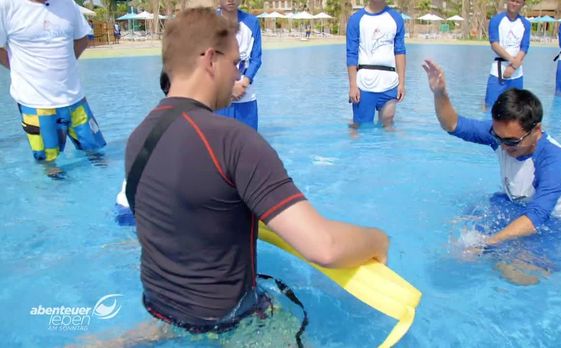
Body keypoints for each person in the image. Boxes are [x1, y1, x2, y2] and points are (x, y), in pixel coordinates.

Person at [123, 7, 389, 343]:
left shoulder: (138, 138)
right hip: (229, 321)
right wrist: (379, 240)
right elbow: (325, 248)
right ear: (209, 60)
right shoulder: (233, 140)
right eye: (235, 63)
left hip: (160, 307)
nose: (237, 76)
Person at [423, 60, 561, 283]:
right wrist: (440, 93)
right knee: (459, 241)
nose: (503, 146)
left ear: (537, 130)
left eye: (512, 141)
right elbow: (453, 125)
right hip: (510, 204)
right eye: (497, 138)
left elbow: (536, 218)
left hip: (548, 224)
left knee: (514, 274)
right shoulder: (502, 135)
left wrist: (487, 245)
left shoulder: (554, 160)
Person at [0, 0, 106, 178]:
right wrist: (20, 69)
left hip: (76, 100)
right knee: (51, 168)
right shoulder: (6, 6)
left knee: (99, 157)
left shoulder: (68, 4)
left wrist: (68, 66)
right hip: (36, 104)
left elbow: (82, 38)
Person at [346, 0, 406, 131]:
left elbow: (400, 51)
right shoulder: (356, 19)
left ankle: (388, 152)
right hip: (364, 83)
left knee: (388, 125)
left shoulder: (396, 18)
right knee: (360, 128)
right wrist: (352, 86)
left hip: (389, 82)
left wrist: (401, 83)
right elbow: (351, 54)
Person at [215, 0, 262, 130]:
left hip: (246, 97)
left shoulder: (252, 22)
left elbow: (256, 59)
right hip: (218, 100)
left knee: (247, 146)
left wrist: (243, 84)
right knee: (217, 147)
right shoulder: (208, 23)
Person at [484, 0, 531, 110]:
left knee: (516, 110)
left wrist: (514, 66)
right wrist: (511, 60)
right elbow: (494, 44)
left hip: (517, 72)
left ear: (523, 4)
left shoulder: (525, 24)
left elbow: (525, 47)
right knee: (490, 107)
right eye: (512, 0)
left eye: (518, 2)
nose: (514, 4)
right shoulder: (496, 20)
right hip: (498, 70)